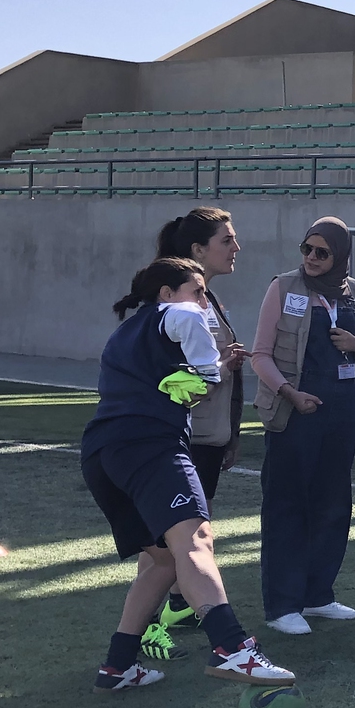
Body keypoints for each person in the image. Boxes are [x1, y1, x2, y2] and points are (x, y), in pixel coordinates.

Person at [82, 257, 293, 692]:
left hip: (102, 452)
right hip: (149, 445)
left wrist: (198, 379)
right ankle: (232, 648)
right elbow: (190, 336)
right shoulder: (180, 313)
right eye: (198, 291)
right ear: (166, 293)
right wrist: (208, 369)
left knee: (163, 559)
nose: (204, 302)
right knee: (195, 541)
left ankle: (118, 665)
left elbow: (165, 385)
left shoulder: (126, 331)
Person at [249, 217, 355, 636]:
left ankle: (318, 595)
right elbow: (260, 355)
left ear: (340, 256)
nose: (312, 258)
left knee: (334, 503)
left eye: (323, 252)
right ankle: (282, 605)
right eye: (307, 249)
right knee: (287, 505)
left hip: (344, 409)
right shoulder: (283, 287)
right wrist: (289, 392)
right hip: (295, 410)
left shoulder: (354, 292)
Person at [147, 208, 247, 654]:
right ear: (197, 250)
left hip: (207, 436)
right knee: (175, 542)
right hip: (184, 437)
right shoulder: (181, 306)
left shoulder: (207, 299)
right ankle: (148, 628)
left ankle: (175, 607)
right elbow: (179, 376)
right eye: (227, 240)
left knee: (187, 536)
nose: (236, 247)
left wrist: (231, 435)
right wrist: (223, 366)